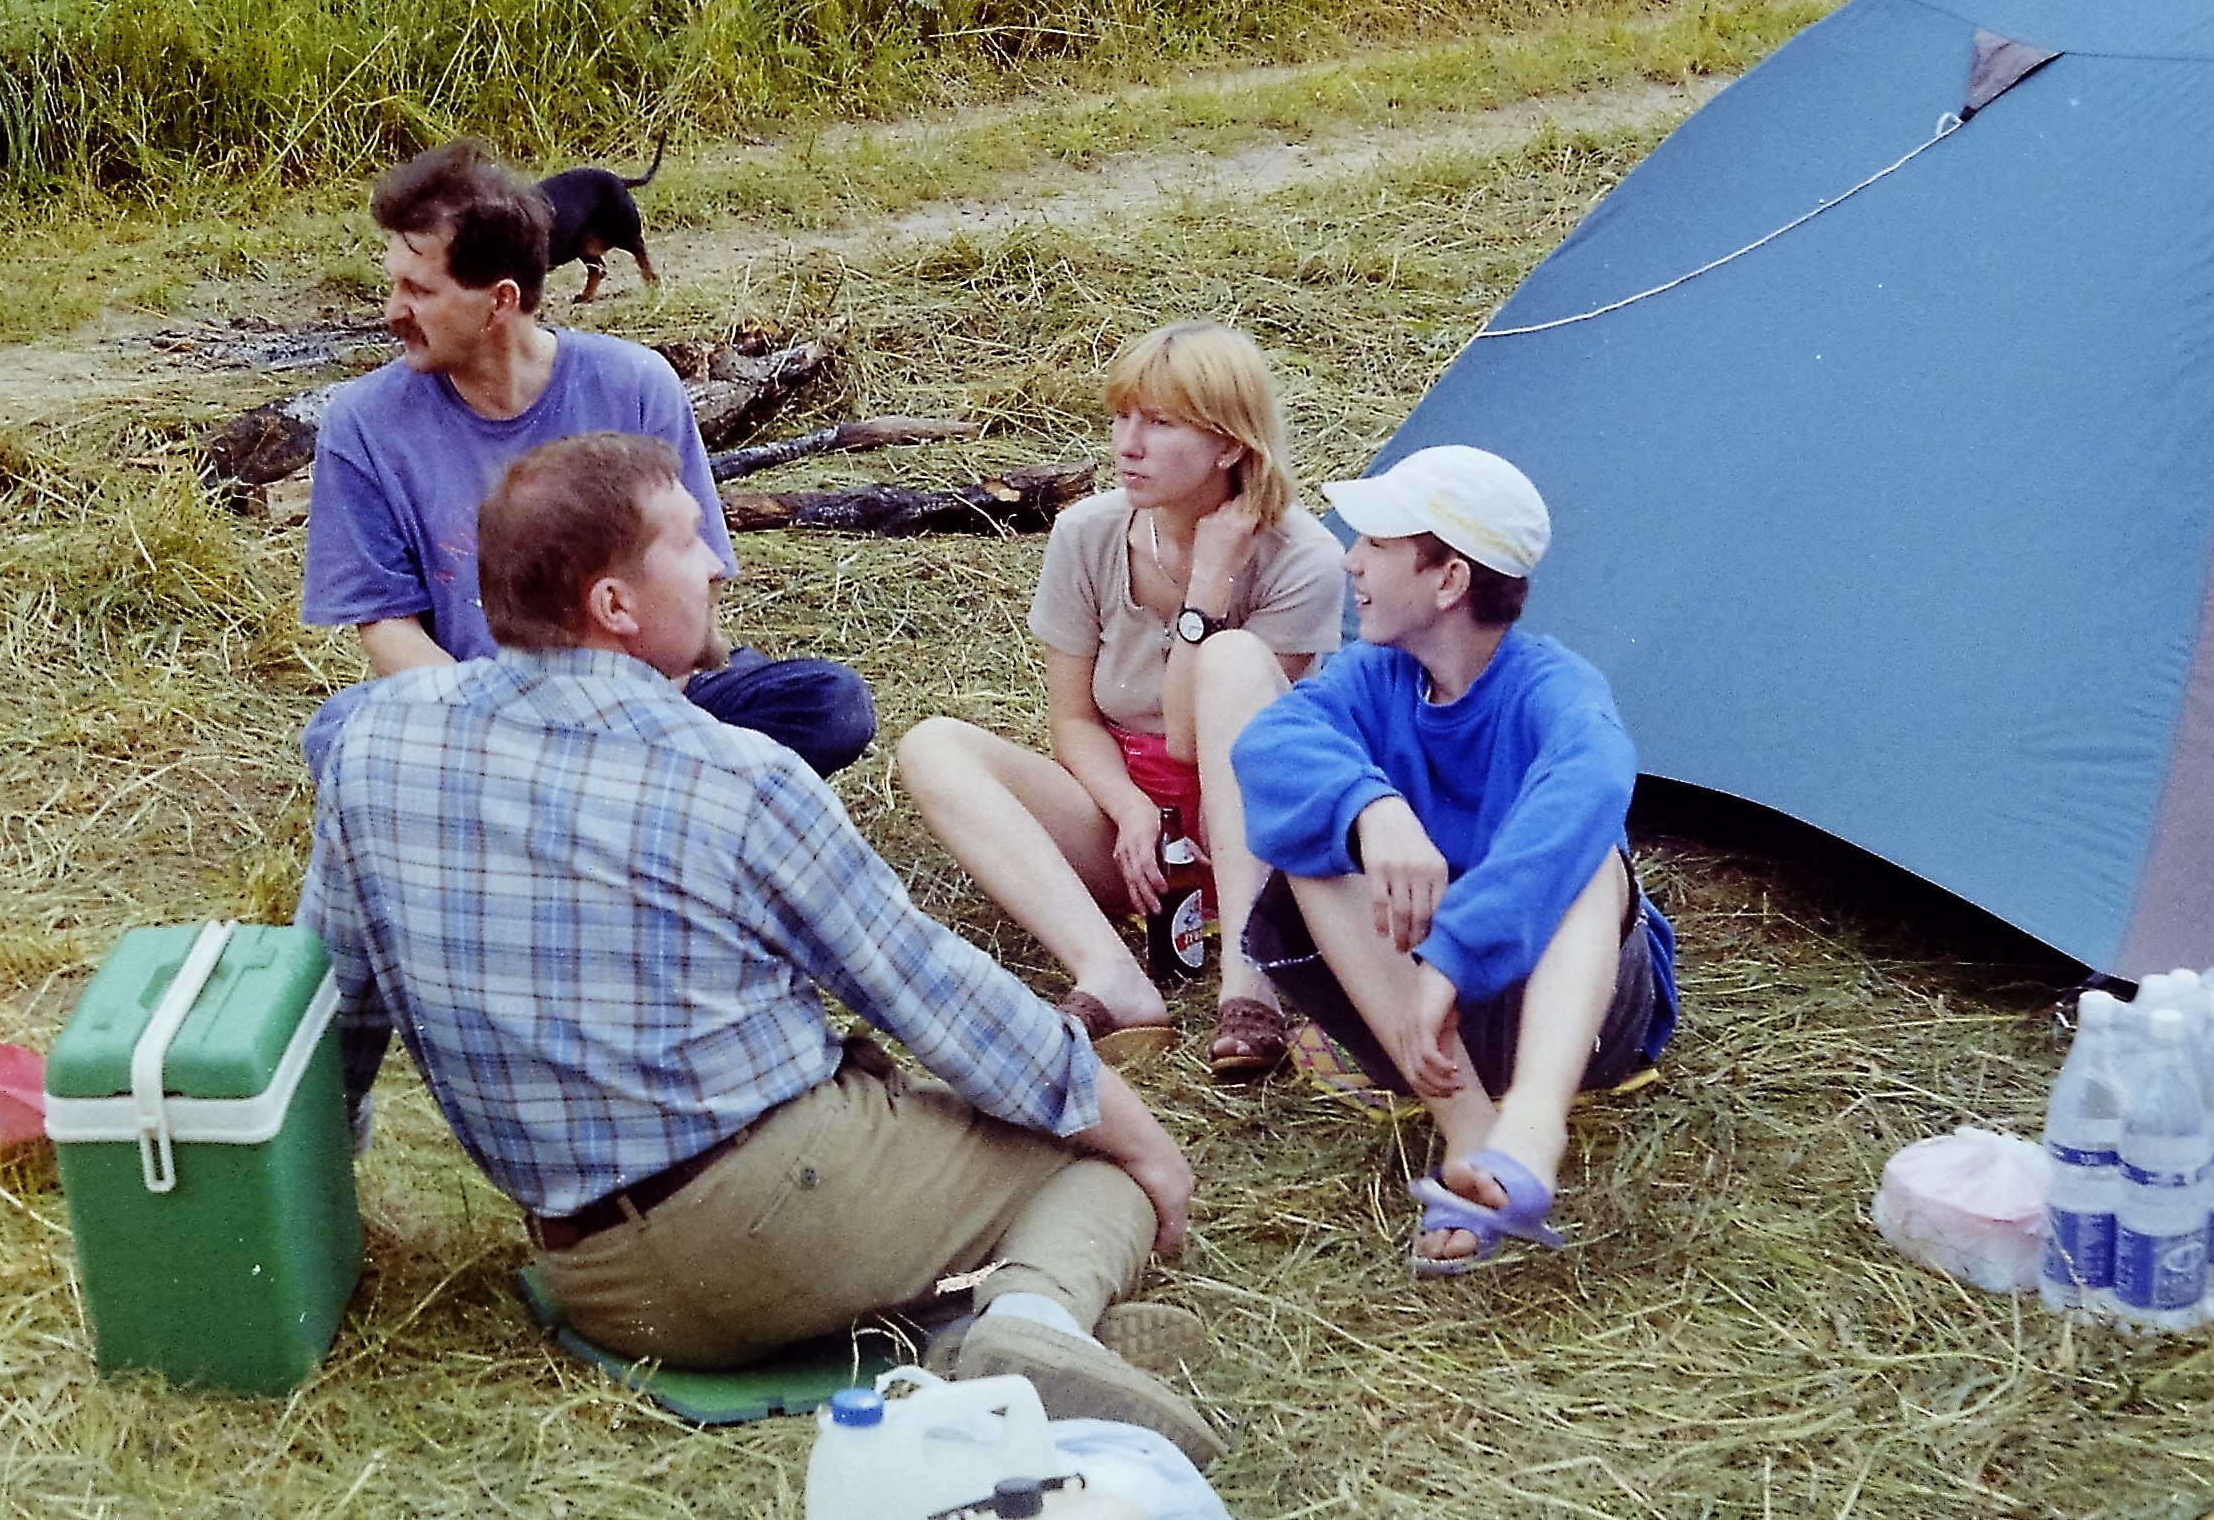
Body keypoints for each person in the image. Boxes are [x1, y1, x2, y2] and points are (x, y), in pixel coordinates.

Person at [297, 431, 1226, 1465]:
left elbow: (332, 1015)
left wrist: (313, 1212)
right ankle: (1032, 1326)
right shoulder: (733, 776)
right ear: (614, 604)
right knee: (1090, 1170)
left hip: (591, 1276)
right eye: (688, 541)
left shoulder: (374, 741)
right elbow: (933, 996)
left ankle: (986, 1329)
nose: (717, 566)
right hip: (768, 1221)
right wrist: (1141, 1139)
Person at [1213, 444, 1678, 1273]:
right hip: (1421, 1035)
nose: (1350, 560)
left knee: (1591, 858)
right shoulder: (1373, 676)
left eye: (1377, 543)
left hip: (1572, 1024)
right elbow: (1267, 747)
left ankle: (1529, 1133)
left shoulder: (1552, 689)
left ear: (1448, 580)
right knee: (1313, 842)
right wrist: (1370, 809)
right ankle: (1469, 1132)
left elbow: (1595, 780)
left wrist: (1458, 952)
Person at [298, 137, 874, 781]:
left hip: (646, 695)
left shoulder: (634, 384)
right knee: (338, 734)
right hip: (475, 709)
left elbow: (699, 581)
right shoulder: (362, 423)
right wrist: (510, 735)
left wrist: (622, 723)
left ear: (500, 300)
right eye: (393, 285)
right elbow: (386, 625)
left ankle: (575, 801)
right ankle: (645, 797)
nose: (392, 312)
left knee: (830, 703)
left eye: (419, 290)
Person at [898, 323, 1345, 1081]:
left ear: (1228, 445)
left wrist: (1207, 590)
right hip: (1132, 825)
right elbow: (1072, 719)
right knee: (931, 745)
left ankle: (1249, 984)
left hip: (1251, 823)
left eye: (1160, 422)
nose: (1127, 445)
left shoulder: (1304, 557)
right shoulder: (1088, 533)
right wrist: (1132, 812)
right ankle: (1112, 973)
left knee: (1233, 658)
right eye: (1122, 417)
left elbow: (1188, 739)